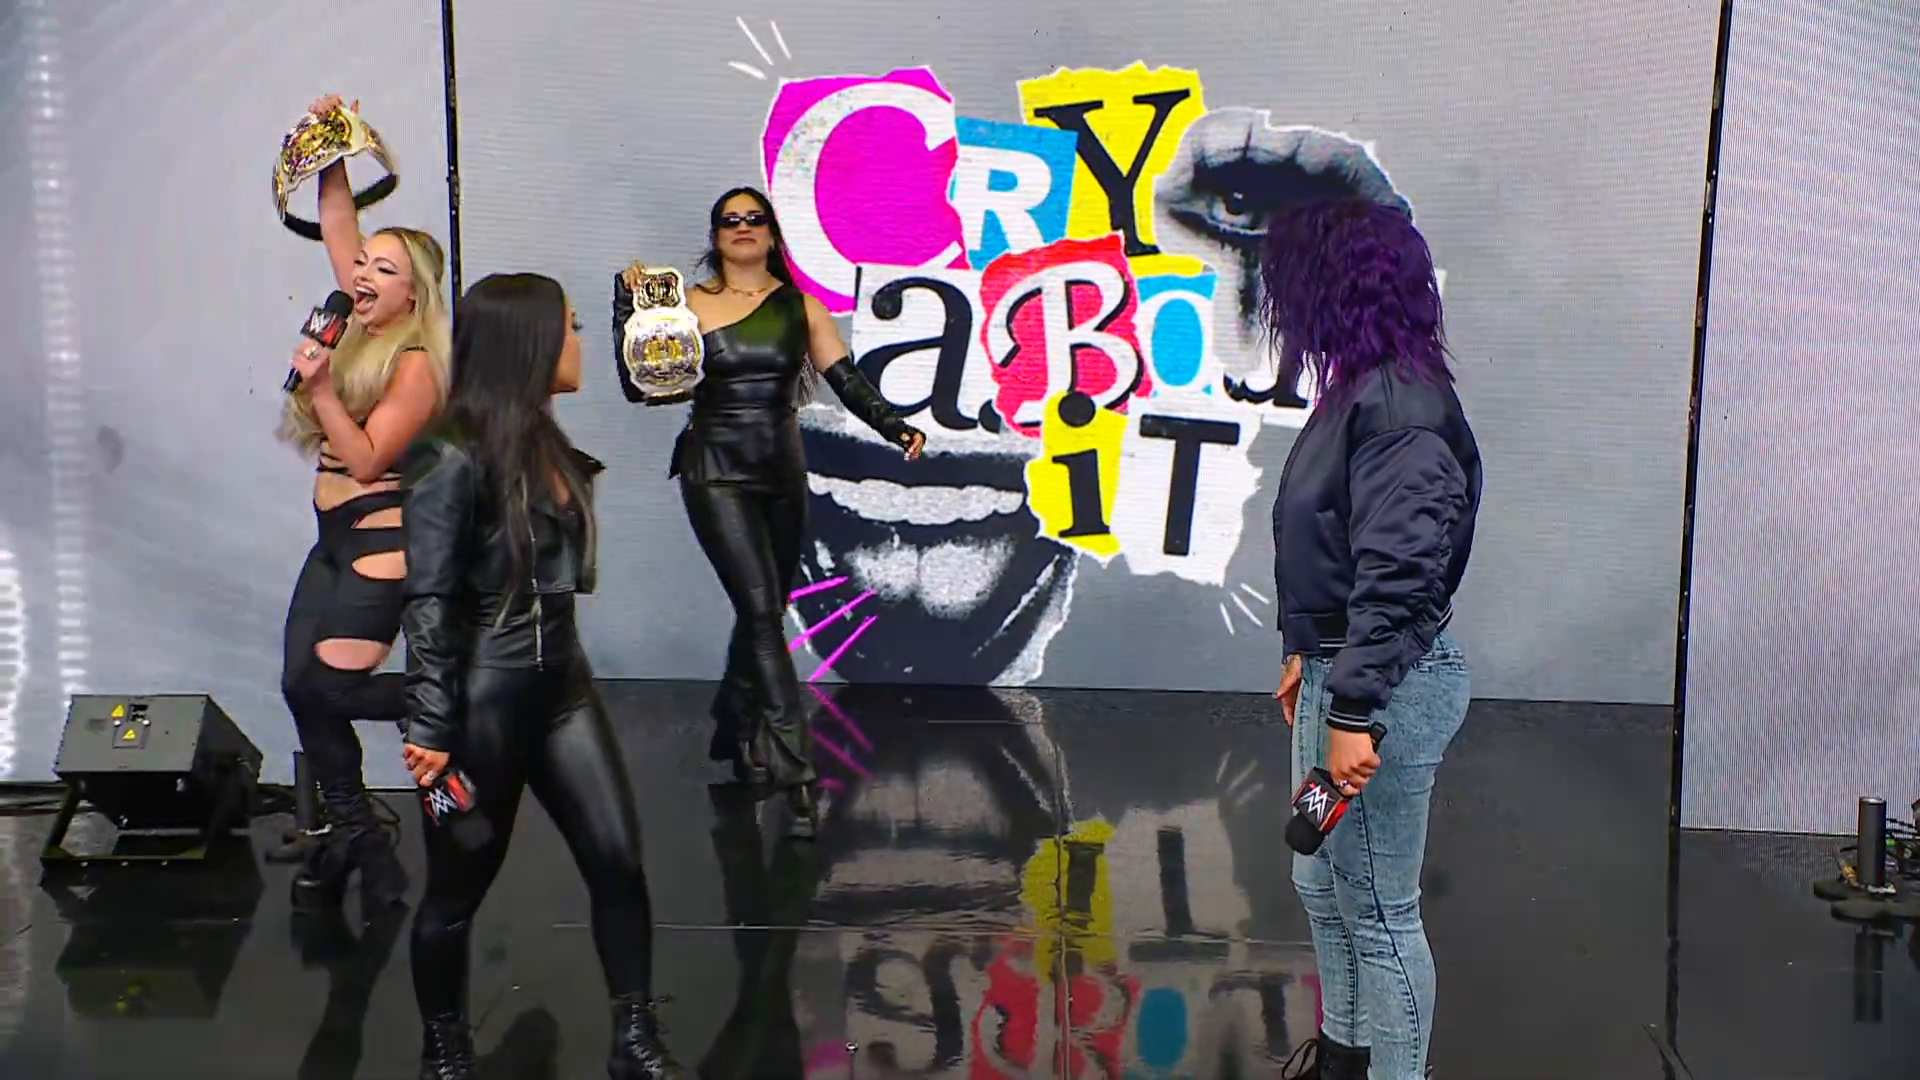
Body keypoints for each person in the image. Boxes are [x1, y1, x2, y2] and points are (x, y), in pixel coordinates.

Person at [400, 273, 681, 1079]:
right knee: (455, 895)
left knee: (619, 863)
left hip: (563, 686)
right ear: (529, 342)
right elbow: (427, 597)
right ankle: (444, 1051)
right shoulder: (448, 452)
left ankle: (634, 1040)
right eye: (571, 327)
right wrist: (430, 723)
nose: (580, 342)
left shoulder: (542, 439)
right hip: (484, 699)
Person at [613, 186, 926, 838]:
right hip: (714, 470)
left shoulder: (801, 306)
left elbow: (845, 378)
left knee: (765, 606)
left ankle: (734, 726)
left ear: (772, 233)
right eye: (730, 220)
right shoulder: (685, 304)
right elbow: (644, 389)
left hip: (781, 472)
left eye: (754, 218)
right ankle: (796, 773)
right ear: (715, 235)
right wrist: (629, 313)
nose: (743, 227)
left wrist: (893, 426)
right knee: (759, 610)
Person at [1266, 199, 1481, 1080]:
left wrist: (1352, 710)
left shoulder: (1401, 406)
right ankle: (1344, 1063)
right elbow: (1333, 538)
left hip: (1384, 686)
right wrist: (1303, 647)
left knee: (1381, 914)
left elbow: (1401, 572)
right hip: (1341, 671)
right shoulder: (1366, 389)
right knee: (1320, 881)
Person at [278, 91, 450, 915]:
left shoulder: (415, 362)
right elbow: (339, 219)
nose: (363, 275)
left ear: (414, 295)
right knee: (299, 686)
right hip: (332, 534)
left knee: (335, 690)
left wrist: (320, 389)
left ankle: (452, 702)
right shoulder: (356, 324)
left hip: (383, 534)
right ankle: (362, 841)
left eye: (385, 270)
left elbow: (370, 457)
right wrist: (332, 144)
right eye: (362, 266)